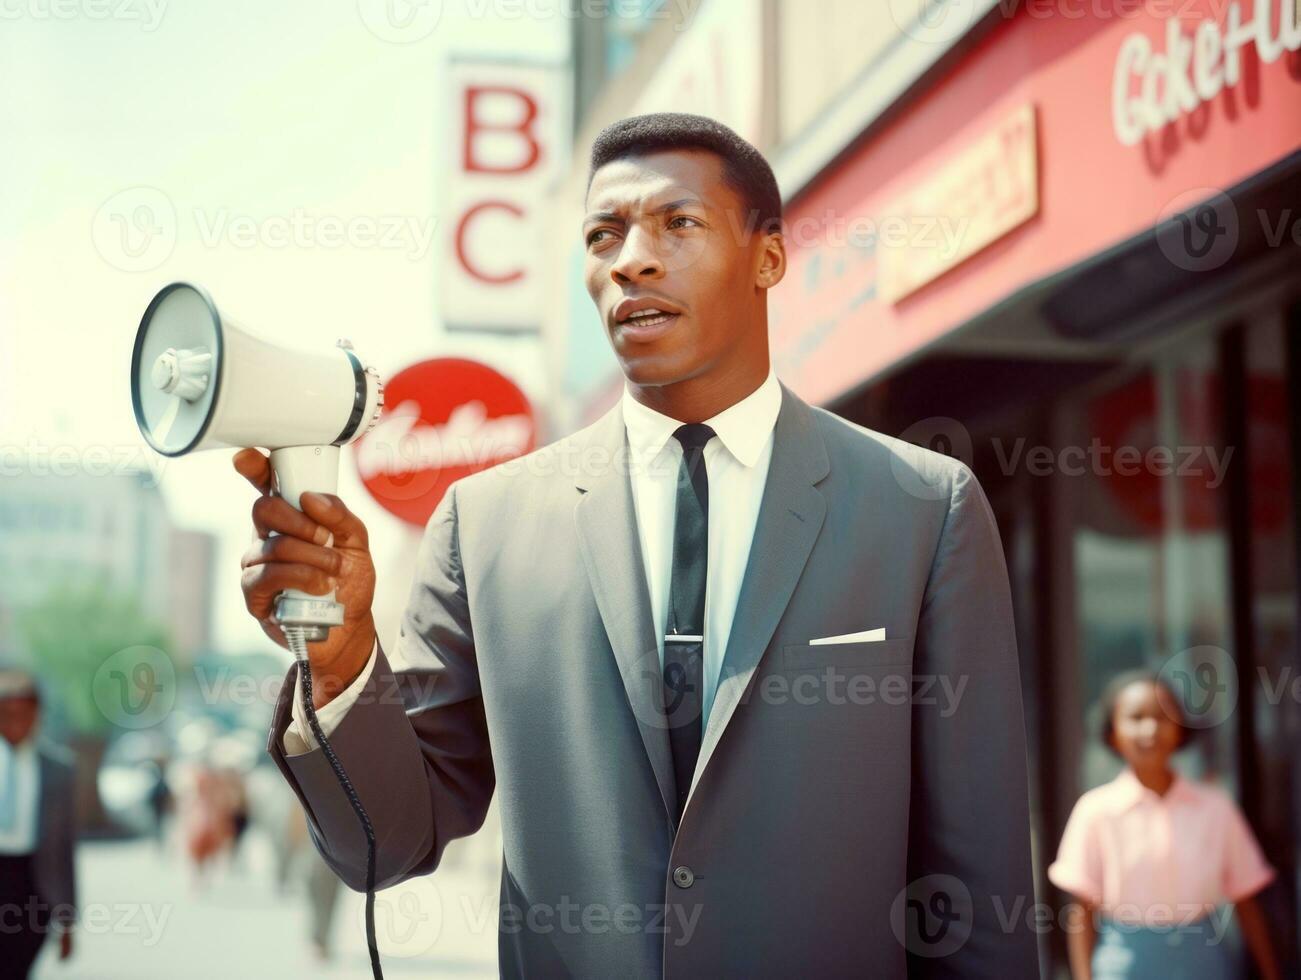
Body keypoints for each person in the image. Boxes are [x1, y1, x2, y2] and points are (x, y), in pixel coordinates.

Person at [237, 112, 1039, 977]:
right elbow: (387, 843)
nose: (629, 259)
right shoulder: (485, 522)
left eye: (677, 223)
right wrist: (341, 651)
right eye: (602, 235)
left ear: (768, 255)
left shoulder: (919, 504)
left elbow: (974, 875)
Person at [1048, 669, 1281, 980]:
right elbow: (1082, 911)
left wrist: (1272, 973)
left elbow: (1246, 900)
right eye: (1136, 717)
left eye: (1162, 716)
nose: (1150, 729)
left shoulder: (1215, 808)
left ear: (1180, 729)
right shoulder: (1094, 811)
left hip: (1205, 960)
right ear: (1113, 732)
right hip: (1127, 963)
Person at [0, 667, 76, 978]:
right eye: (6, 714)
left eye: (23, 714)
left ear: (37, 715)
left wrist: (67, 921)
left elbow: (64, 850)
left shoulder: (58, 769)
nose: (15, 723)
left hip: (33, 885)